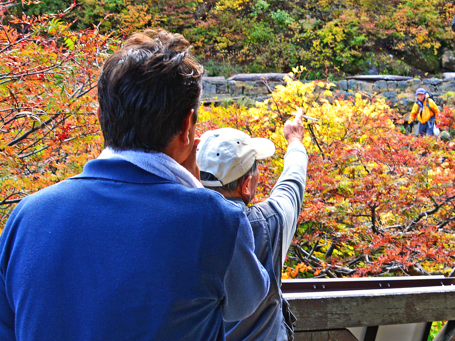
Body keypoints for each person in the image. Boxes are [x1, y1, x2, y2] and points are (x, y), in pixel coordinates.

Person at [0, 29, 269, 341]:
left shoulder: (27, 215)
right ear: (186, 126)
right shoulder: (216, 220)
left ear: (101, 115)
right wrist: (196, 189)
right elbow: (244, 303)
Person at [198, 111, 308, 341]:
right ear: (246, 184)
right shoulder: (268, 224)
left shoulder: (177, 223)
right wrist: (295, 141)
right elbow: (292, 181)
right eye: (256, 167)